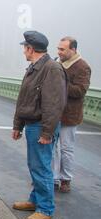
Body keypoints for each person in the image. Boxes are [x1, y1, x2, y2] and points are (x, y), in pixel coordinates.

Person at [12, 31, 67, 219]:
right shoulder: (35, 67)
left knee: (42, 167)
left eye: (24, 48)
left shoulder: (51, 69)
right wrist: (17, 125)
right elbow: (23, 99)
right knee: (35, 165)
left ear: (31, 49)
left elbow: (54, 104)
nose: (23, 51)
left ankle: (45, 209)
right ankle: (35, 200)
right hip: (32, 124)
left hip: (41, 125)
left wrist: (47, 132)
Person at [52, 37, 92, 193]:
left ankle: (65, 179)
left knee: (66, 149)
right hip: (55, 113)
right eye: (58, 48)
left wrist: (60, 82)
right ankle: (53, 178)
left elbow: (80, 91)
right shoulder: (57, 63)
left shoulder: (83, 67)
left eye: (62, 49)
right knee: (52, 148)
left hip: (70, 115)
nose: (59, 52)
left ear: (73, 50)